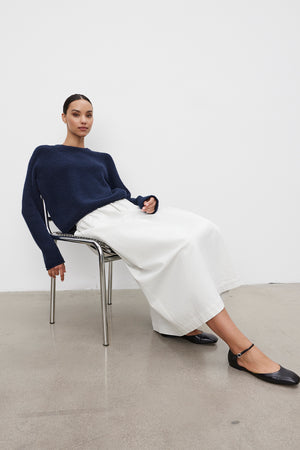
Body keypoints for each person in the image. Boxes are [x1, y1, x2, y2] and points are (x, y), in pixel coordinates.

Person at [22, 93, 299, 386]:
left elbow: (123, 194)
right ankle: (242, 349)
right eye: (76, 114)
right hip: (94, 222)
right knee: (180, 248)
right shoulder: (45, 154)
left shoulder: (102, 158)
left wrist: (146, 201)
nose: (83, 120)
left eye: (89, 115)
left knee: (201, 229)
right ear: (63, 117)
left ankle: (175, 323)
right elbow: (29, 205)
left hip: (125, 212)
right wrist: (50, 252)